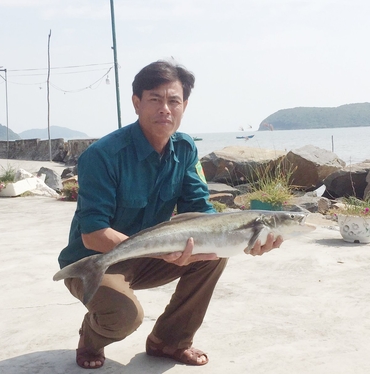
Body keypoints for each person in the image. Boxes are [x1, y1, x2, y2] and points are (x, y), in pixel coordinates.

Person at [57, 60, 283, 369]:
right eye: (155, 99)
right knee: (125, 317)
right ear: (137, 103)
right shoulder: (102, 156)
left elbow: (201, 212)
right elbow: (93, 233)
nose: (166, 108)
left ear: (184, 105)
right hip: (94, 260)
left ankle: (169, 340)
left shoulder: (185, 149)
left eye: (173, 100)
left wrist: (247, 239)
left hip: (152, 255)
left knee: (213, 253)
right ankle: (91, 337)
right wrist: (163, 251)